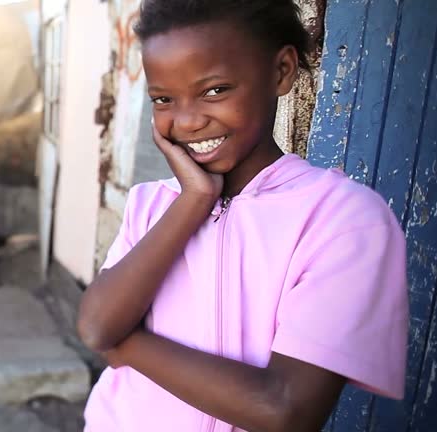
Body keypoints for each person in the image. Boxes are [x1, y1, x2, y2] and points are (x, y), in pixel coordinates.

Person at [76, 1, 409, 431]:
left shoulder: (342, 220)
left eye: (215, 90)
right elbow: (94, 323)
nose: (189, 120)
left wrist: (124, 345)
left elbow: (286, 409)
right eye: (163, 99)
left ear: (282, 71)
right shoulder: (150, 205)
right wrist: (193, 200)